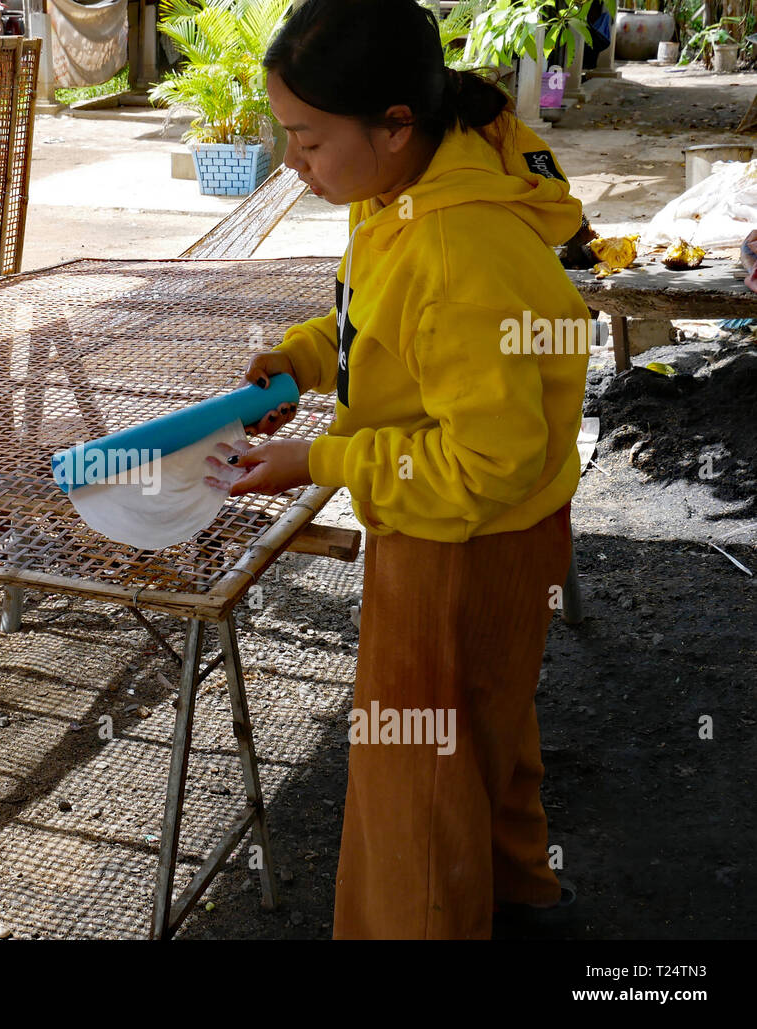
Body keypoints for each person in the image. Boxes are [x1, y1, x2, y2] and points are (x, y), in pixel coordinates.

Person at [206, 0, 589, 939]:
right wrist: (303, 357)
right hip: (499, 532)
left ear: (393, 124)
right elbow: (384, 319)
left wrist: (321, 459)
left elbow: (486, 458)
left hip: (458, 537)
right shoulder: (410, 191)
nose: (291, 162)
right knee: (477, 727)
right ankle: (510, 886)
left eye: (306, 139)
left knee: (410, 774)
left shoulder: (457, 247)